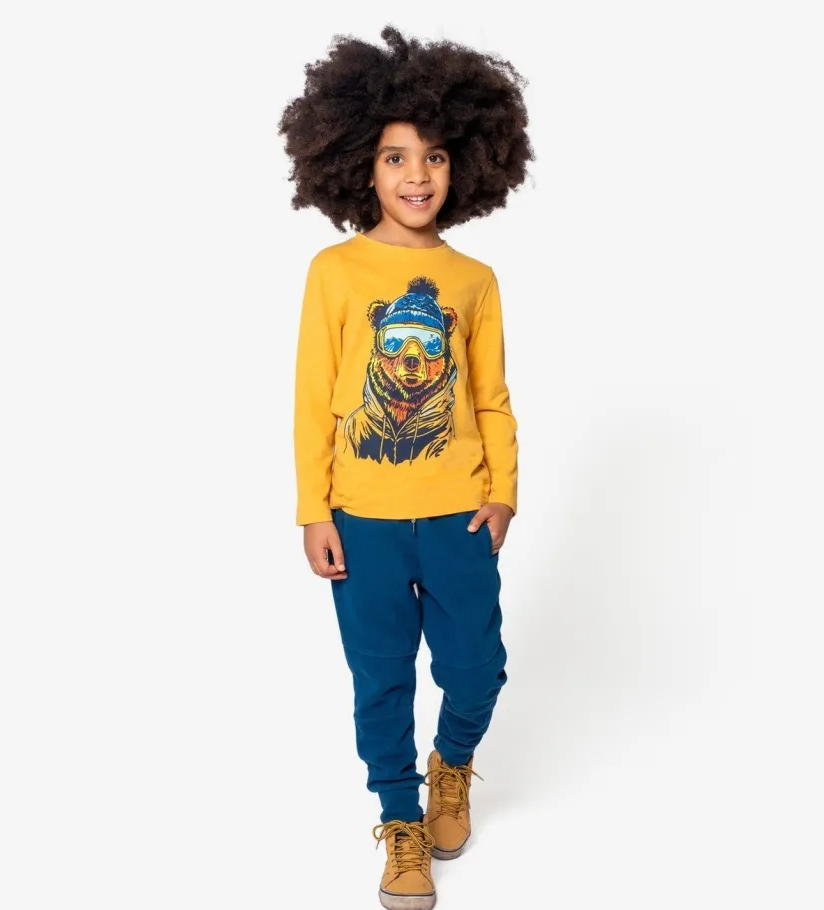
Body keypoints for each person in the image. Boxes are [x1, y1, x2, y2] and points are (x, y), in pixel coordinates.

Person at [278, 24, 533, 910]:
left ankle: (450, 765)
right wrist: (314, 509)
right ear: (360, 165)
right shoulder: (334, 271)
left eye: (433, 156)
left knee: (477, 667)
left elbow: (492, 398)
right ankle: (399, 818)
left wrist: (503, 494)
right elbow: (314, 397)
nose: (416, 175)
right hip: (363, 519)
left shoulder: (475, 281)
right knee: (380, 678)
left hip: (459, 514)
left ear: (465, 164)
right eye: (395, 157)